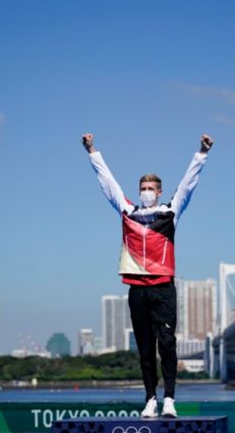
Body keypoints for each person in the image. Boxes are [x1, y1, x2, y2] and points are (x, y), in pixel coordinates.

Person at [82, 133, 214, 418]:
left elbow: (187, 185)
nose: (147, 191)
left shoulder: (170, 212)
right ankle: (150, 399)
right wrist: (92, 151)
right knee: (145, 349)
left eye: (151, 188)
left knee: (167, 344)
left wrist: (201, 154)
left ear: (159, 191)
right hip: (137, 290)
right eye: (143, 187)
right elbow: (109, 185)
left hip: (163, 288)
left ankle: (169, 400)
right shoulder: (128, 211)